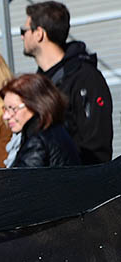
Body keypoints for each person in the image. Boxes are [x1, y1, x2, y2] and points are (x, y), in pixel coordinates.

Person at [22, 1, 113, 165]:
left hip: (78, 183)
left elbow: (97, 146)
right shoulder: (39, 83)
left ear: (39, 34)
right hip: (44, 183)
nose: (22, 36)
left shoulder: (85, 77)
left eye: (24, 30)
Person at [0, 74, 80, 168]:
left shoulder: (37, 142)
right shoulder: (57, 130)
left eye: (13, 109)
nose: (6, 116)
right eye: (5, 109)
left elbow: (22, 180)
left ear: (35, 105)